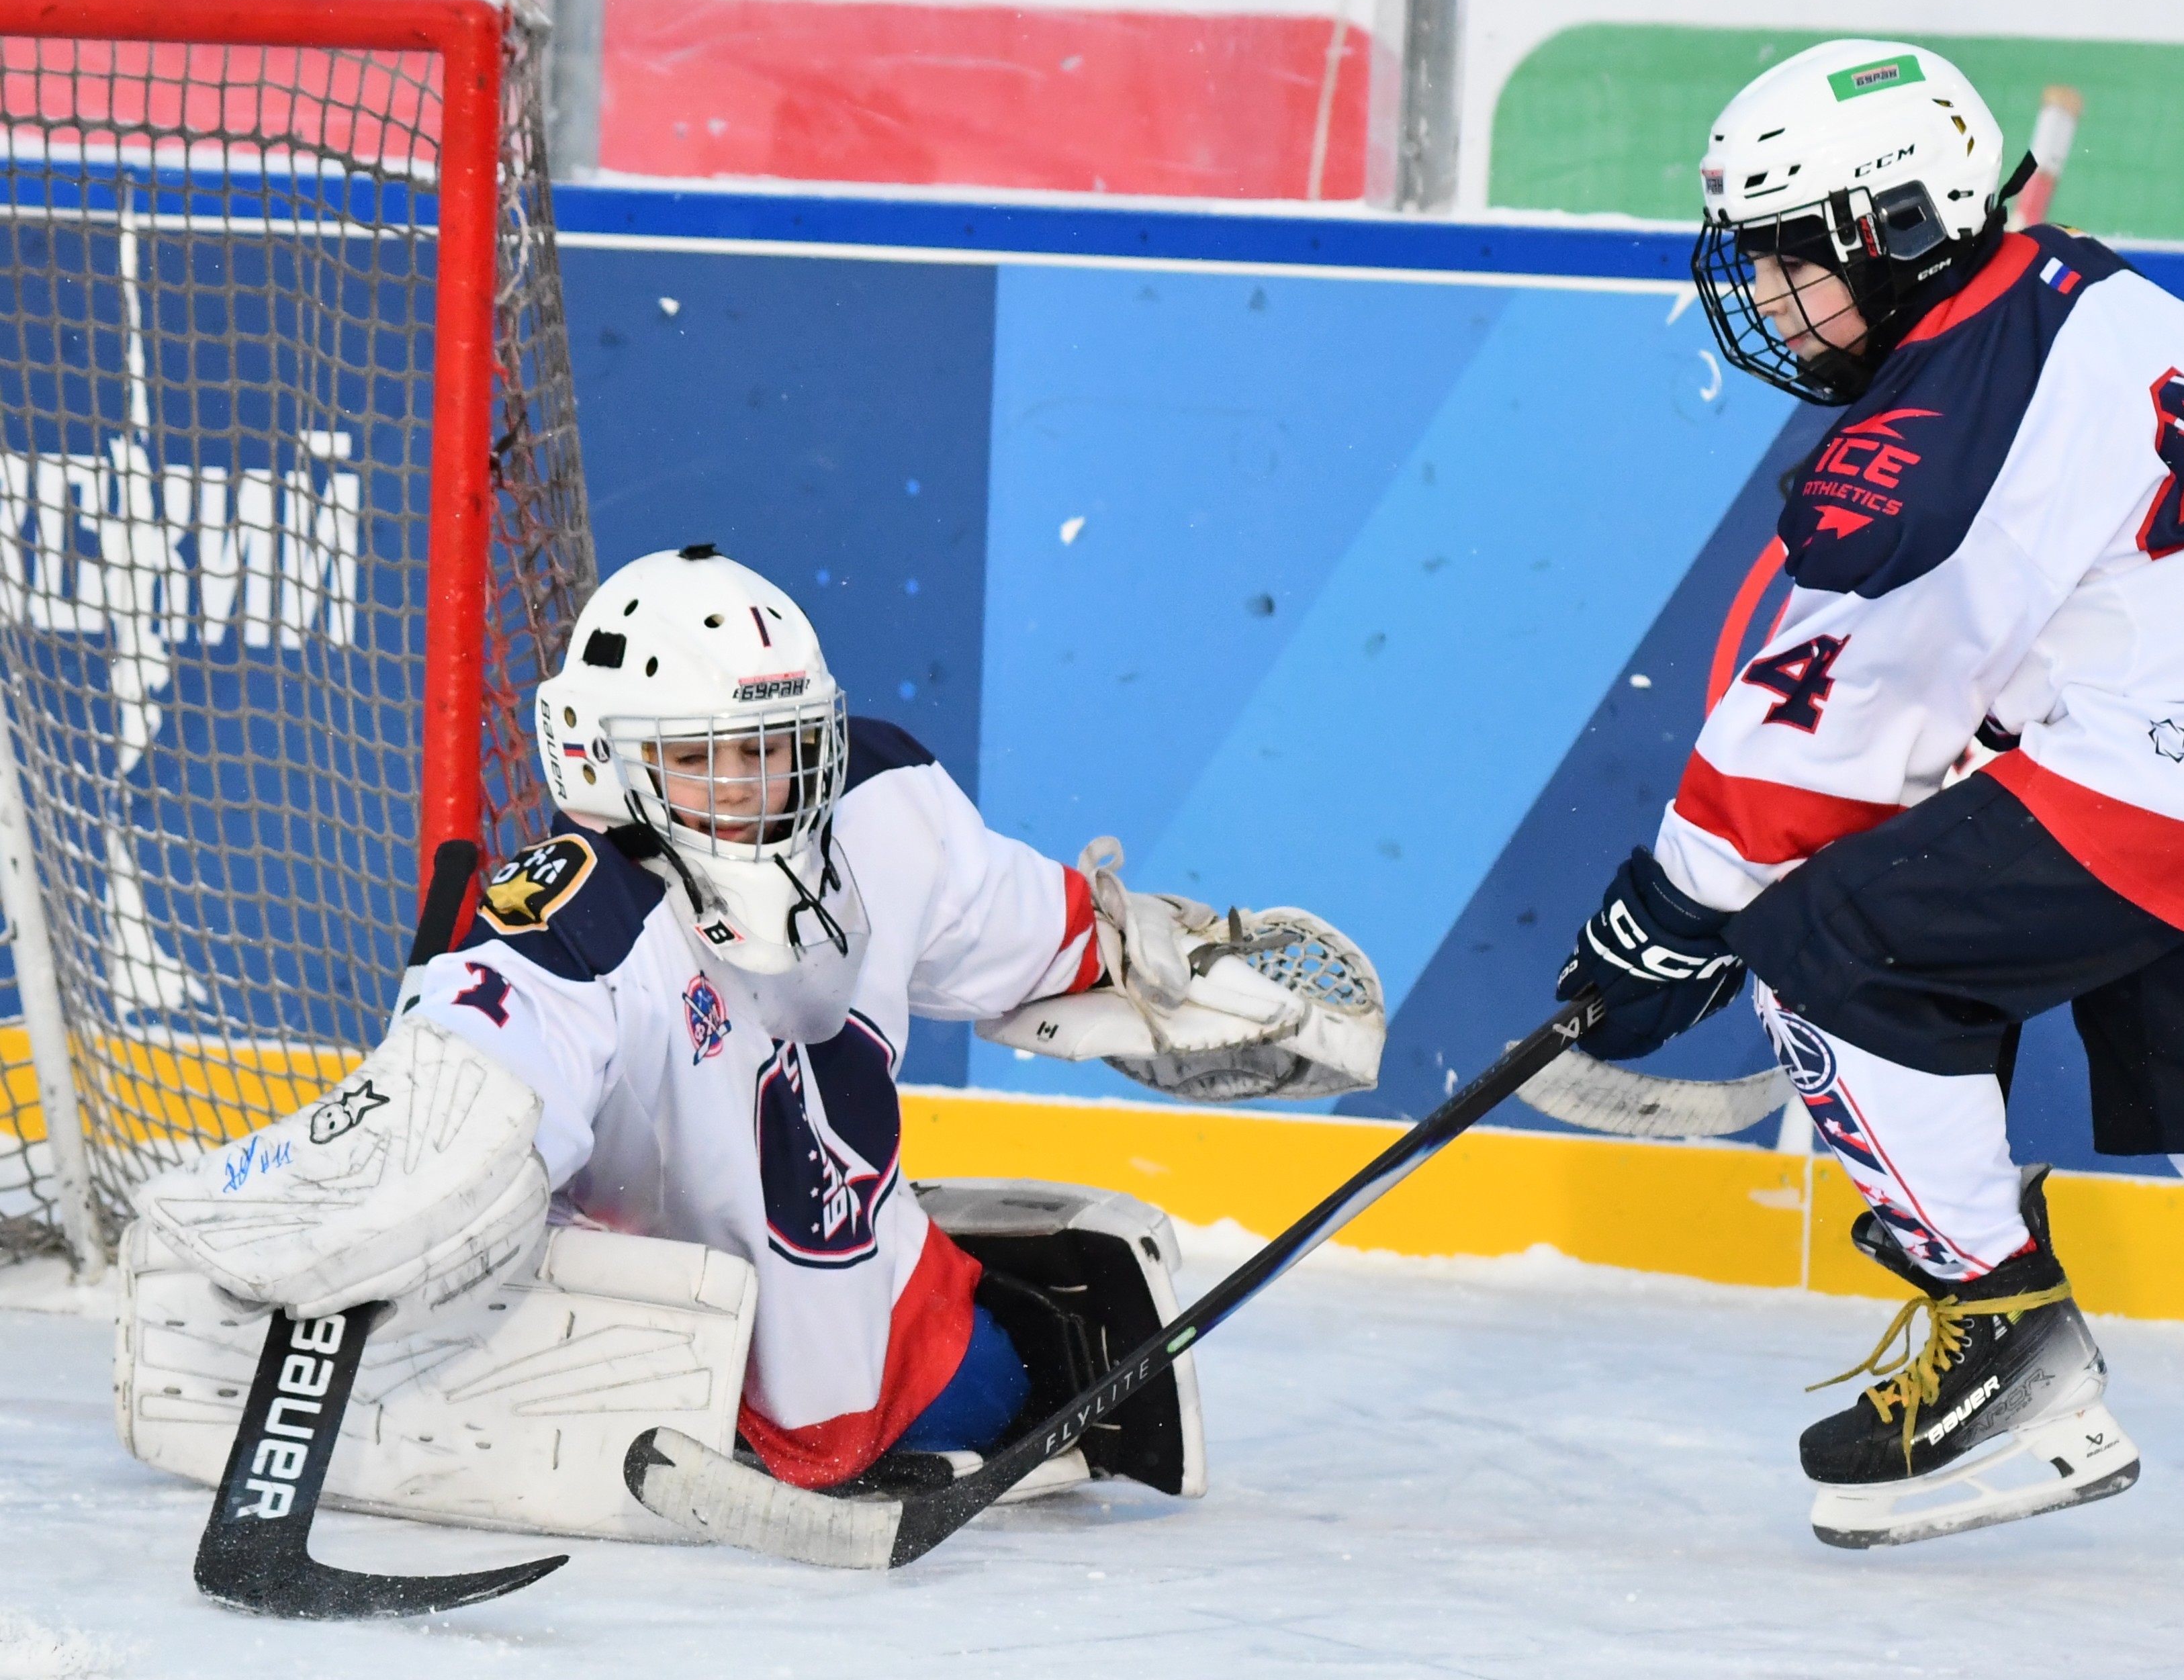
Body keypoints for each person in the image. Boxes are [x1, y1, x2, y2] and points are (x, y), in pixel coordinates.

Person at [123, 543, 1381, 1530]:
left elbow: (1053, 940)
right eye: (709, 761)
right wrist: (296, 1210)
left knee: (1024, 1373)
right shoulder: (575, 928)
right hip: (680, 1379)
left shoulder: (881, 807)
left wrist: (1182, 977)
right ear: (601, 762)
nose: (758, 793)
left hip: (905, 1342)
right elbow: (453, 1111)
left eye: (780, 752)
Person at [1554, 38, 2184, 1547]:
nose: (1768, 296)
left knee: (1833, 951)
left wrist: (1674, 912)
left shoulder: (1937, 436)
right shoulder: (2069, 288)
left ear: (1896, 230)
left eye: (1792, 259)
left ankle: (2005, 1343)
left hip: (2182, 767)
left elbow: (1829, 729)